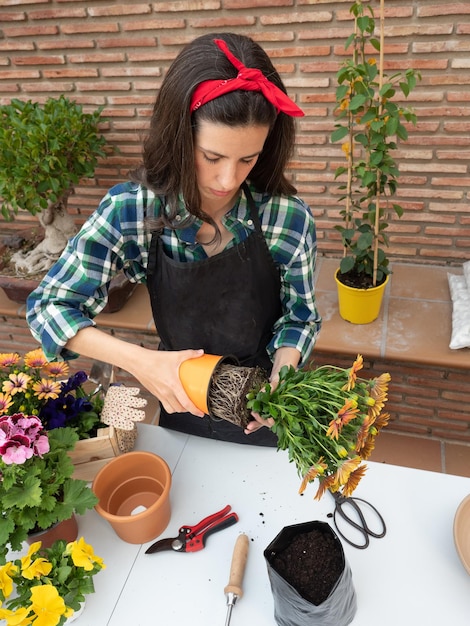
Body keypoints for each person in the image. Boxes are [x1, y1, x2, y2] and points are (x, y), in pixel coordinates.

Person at [26, 33, 322, 447]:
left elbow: (300, 318)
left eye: (248, 159)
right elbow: (50, 308)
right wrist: (143, 363)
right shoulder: (132, 210)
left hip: (264, 407)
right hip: (179, 398)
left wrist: (282, 378)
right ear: (180, 139)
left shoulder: (286, 218)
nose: (228, 180)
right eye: (212, 157)